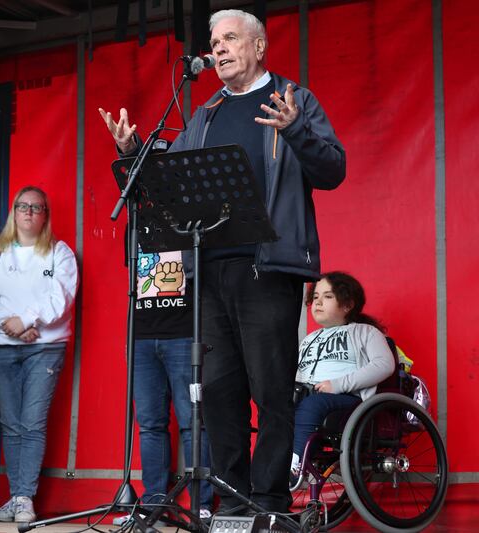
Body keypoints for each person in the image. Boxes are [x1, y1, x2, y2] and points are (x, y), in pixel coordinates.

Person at [99, 9, 346, 513]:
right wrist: (132, 150)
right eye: (215, 43)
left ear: (259, 47)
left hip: (268, 269)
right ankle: (232, 506)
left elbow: (333, 170)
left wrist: (295, 129)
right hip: (208, 273)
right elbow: (169, 180)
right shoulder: (206, 112)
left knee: (271, 390)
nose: (219, 49)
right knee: (217, 392)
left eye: (230, 38)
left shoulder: (294, 99)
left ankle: (269, 502)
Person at [0, 186, 78, 524]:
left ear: (45, 215)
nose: (29, 212)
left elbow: (60, 298)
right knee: (11, 423)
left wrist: (28, 320)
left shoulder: (60, 253)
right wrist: (14, 325)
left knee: (32, 423)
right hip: (1, 348)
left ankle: (23, 498)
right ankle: (18, 495)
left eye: (36, 207)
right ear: (14, 213)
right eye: (23, 206)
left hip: (45, 349)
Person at [130, 248, 213, 518]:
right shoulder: (135, 226)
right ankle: (154, 504)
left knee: (193, 421)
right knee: (149, 423)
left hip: (184, 332)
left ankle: (200, 504)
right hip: (141, 335)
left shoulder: (188, 226)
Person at [291, 272, 395, 478]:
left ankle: (295, 467)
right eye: (315, 297)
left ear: (347, 305)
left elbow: (384, 365)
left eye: (328, 296)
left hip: (346, 399)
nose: (318, 302)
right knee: (276, 407)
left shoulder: (366, 332)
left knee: (313, 404)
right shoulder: (309, 339)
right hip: (309, 396)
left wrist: (338, 384)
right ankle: (271, 467)